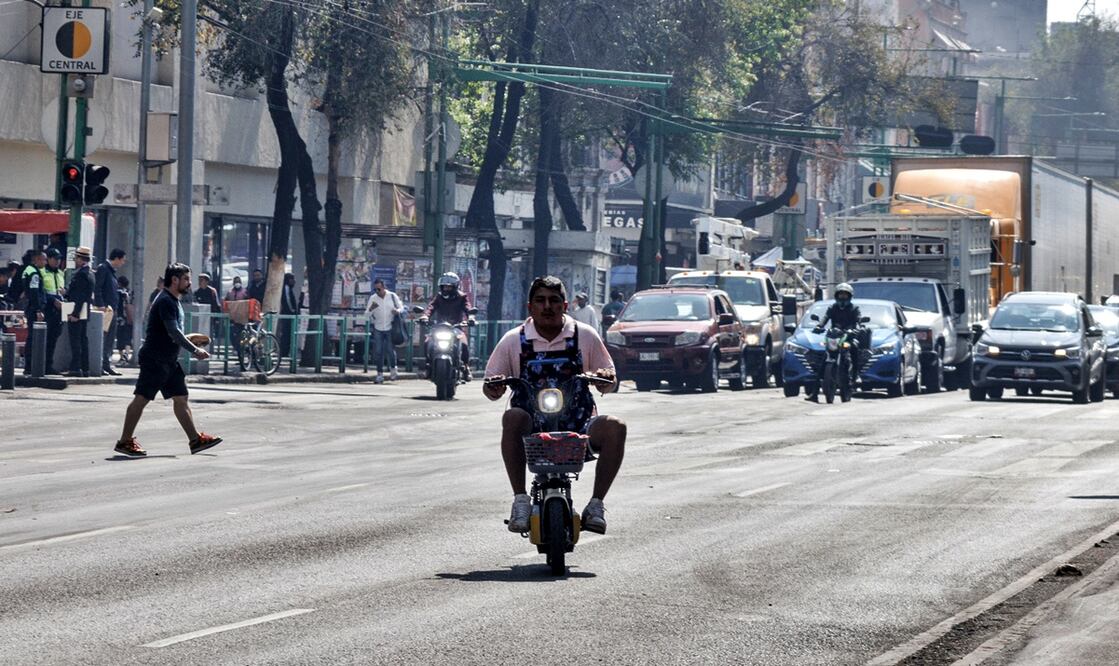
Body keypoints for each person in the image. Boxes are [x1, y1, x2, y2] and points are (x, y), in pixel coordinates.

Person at [483, 275, 626, 535]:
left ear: (565, 305)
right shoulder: (513, 340)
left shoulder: (585, 336)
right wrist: (494, 386)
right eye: (540, 301)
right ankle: (520, 500)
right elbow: (490, 389)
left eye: (554, 300)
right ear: (530, 307)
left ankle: (596, 505)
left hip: (580, 428)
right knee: (512, 417)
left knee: (616, 427)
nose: (547, 306)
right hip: (531, 431)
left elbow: (608, 381)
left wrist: (605, 379)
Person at [113, 263, 222, 457]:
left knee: (181, 398)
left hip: (168, 359)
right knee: (142, 398)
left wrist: (189, 341)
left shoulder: (173, 300)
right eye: (186, 279)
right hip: (155, 358)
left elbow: (172, 333)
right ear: (175, 280)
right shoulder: (165, 301)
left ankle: (195, 440)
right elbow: (173, 331)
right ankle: (124, 441)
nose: (190, 283)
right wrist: (194, 349)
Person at [807, 282, 866, 403]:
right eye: (841, 295)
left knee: (854, 347)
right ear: (836, 296)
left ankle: (856, 375)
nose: (843, 298)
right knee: (823, 361)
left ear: (849, 296)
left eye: (845, 295)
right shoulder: (832, 307)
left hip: (848, 336)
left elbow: (859, 320)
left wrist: (858, 328)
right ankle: (814, 393)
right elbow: (825, 318)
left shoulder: (854, 308)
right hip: (834, 336)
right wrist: (819, 326)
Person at [422, 272, 475, 381]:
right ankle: (428, 365)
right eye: (444, 286)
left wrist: (471, 318)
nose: (446, 289)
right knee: (427, 342)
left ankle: (465, 367)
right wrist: (425, 316)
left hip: (456, 327)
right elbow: (431, 307)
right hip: (439, 327)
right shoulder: (439, 297)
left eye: (449, 287)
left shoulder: (462, 297)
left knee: (464, 344)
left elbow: (468, 308)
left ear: (455, 287)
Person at [364, 278, 404, 383]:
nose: (378, 292)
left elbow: (401, 308)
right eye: (376, 290)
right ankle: (380, 374)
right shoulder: (373, 298)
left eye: (379, 289)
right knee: (378, 351)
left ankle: (393, 371)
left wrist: (397, 311)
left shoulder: (392, 296)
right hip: (378, 327)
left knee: (390, 350)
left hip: (390, 327)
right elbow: (366, 315)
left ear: (383, 287)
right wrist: (371, 309)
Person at [95, 249, 126, 376]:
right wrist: (101, 305)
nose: (123, 263)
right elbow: (97, 288)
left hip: (113, 310)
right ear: (117, 258)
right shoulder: (104, 268)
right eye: (123, 260)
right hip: (105, 309)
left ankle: (107, 364)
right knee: (104, 337)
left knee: (110, 338)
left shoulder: (112, 272)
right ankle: (101, 364)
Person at [65, 247, 95, 378]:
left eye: (77, 258)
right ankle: (85, 367)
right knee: (83, 339)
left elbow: (79, 296)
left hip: (76, 309)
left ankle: (75, 367)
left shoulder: (81, 274)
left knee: (75, 340)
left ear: (81, 259)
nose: (75, 260)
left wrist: (74, 314)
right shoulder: (90, 273)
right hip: (84, 309)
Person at [20, 250, 47, 374]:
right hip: (33, 308)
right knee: (33, 338)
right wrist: (38, 310)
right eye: (43, 259)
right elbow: (35, 292)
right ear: (36, 259)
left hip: (30, 307)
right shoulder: (34, 273)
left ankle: (29, 366)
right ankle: (30, 366)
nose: (45, 262)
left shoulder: (27, 270)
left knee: (31, 337)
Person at [41, 249, 66, 375]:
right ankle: (41, 365)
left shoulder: (61, 273)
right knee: (44, 339)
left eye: (59, 259)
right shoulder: (42, 272)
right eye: (55, 259)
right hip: (48, 309)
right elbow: (42, 292)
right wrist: (53, 300)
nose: (57, 261)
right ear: (48, 259)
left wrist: (64, 294)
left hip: (59, 311)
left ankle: (49, 365)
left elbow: (61, 291)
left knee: (54, 339)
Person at [279, 273, 299, 359]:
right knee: (286, 333)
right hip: (288, 314)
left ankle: (285, 351)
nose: (294, 281)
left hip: (288, 314)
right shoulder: (286, 288)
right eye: (292, 279)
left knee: (287, 333)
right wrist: (293, 311)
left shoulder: (287, 288)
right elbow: (288, 301)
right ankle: (284, 351)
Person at [116, 275, 134, 361]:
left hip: (120, 318)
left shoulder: (118, 292)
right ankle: (127, 353)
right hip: (129, 317)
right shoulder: (130, 292)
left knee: (120, 336)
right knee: (128, 336)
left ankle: (121, 355)